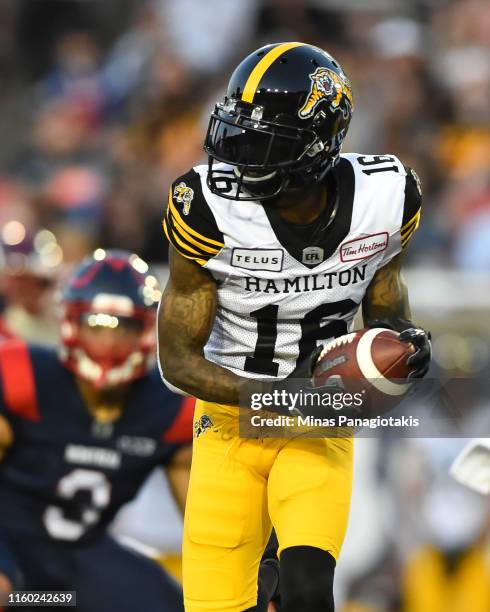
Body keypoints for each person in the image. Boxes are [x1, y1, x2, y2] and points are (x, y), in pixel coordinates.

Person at [158, 42, 431, 611]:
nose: (242, 160)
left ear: (318, 144)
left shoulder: (384, 197)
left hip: (318, 421)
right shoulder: (204, 204)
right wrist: (279, 398)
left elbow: (385, 308)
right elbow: (177, 359)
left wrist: (403, 342)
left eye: (263, 145)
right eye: (237, 138)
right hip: (231, 422)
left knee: (308, 589)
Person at [0, 249, 194, 612]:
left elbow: (209, 527)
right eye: (97, 324)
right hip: (8, 541)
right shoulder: (23, 377)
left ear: (147, 330)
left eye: (125, 327)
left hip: (81, 551)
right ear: (72, 322)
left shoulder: (169, 408)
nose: (108, 342)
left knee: (172, 605)